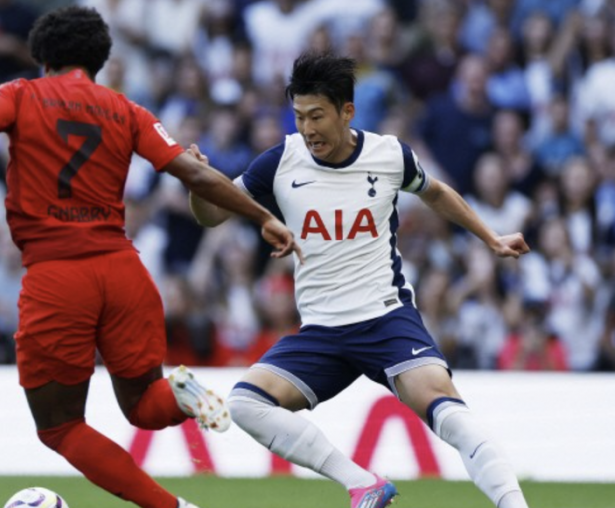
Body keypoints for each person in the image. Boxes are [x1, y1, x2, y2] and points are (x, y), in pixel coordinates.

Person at [0, 7, 300, 508]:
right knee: (143, 404)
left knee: (60, 427)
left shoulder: (22, 94)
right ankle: (180, 394)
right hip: (123, 270)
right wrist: (263, 216)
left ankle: (171, 507)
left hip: (58, 275)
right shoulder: (127, 109)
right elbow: (195, 174)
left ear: (42, 57)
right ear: (99, 59)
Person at [190, 51, 533, 508]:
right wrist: (198, 183)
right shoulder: (281, 161)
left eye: (317, 116)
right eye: (299, 117)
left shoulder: (389, 155)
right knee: (245, 405)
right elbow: (212, 214)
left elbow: (435, 192)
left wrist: (490, 237)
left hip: (386, 318)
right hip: (322, 331)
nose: (307, 129)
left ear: (347, 111)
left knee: (448, 411)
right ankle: (361, 483)